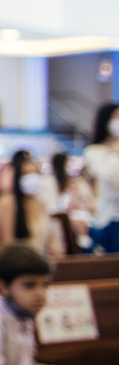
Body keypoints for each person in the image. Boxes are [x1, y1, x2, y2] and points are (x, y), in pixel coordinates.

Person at [0, 150, 54, 257]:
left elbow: (49, 242)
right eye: (26, 173)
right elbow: (7, 244)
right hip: (17, 264)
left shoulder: (40, 203)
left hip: (40, 262)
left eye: (35, 173)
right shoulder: (7, 203)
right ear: (17, 177)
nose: (31, 177)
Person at [84, 102, 119, 253]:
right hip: (109, 218)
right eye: (116, 117)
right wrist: (114, 153)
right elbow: (110, 180)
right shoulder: (94, 152)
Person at [49, 152, 93, 256]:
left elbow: (90, 204)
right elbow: (57, 207)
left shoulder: (79, 183)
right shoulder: (52, 182)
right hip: (65, 220)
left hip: (81, 218)